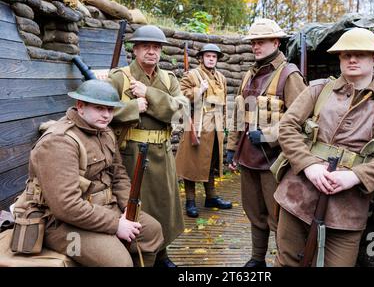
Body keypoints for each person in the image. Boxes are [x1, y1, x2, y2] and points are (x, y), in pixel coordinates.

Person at [273, 28, 374, 267]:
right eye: (346, 54)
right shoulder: (318, 90)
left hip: (348, 209)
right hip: (298, 194)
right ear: (339, 58)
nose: (352, 59)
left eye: (360, 54)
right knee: (286, 262)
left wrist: (355, 176)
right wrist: (309, 166)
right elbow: (287, 127)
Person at [13, 80, 164, 267]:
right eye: (99, 108)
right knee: (119, 263)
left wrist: (127, 209)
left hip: (106, 208)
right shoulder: (59, 142)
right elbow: (66, 206)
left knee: (152, 232)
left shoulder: (105, 132)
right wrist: (116, 225)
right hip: (60, 223)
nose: (106, 115)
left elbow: (118, 174)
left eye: (110, 109)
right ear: (80, 106)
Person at [226, 18, 307, 267]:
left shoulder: (289, 75)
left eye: (261, 41)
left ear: (276, 41)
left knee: (278, 216)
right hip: (248, 156)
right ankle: (257, 258)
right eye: (253, 42)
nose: (255, 46)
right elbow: (239, 114)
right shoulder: (249, 75)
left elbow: (303, 118)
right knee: (254, 212)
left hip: (276, 160)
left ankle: (283, 261)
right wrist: (231, 148)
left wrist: (270, 135)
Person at [108, 25, 189, 267]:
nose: (151, 51)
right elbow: (102, 111)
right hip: (130, 153)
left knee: (164, 206)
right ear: (135, 49)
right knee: (136, 206)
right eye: (146, 46)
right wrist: (133, 107)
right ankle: (136, 255)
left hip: (161, 154)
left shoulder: (168, 79)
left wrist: (150, 95)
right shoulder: (119, 78)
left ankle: (162, 254)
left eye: (156, 47)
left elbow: (181, 111)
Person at [175, 44, 232, 218]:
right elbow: (180, 95)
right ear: (201, 58)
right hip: (197, 125)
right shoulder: (192, 75)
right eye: (207, 56)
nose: (211, 59)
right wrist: (198, 90)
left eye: (214, 57)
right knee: (192, 164)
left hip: (216, 126)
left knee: (211, 162)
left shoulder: (221, 78)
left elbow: (222, 103)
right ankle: (190, 201)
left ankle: (211, 197)